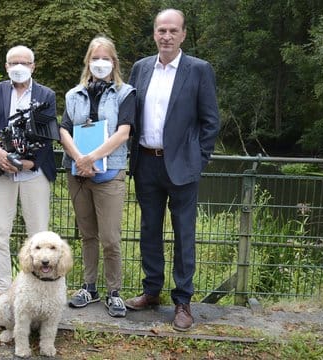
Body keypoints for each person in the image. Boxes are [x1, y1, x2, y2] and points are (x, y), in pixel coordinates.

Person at [125, 9, 221, 331]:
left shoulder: (198, 70)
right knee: (149, 230)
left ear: (183, 35)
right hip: (145, 162)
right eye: (161, 30)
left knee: (184, 235)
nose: (166, 36)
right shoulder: (140, 69)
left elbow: (210, 122)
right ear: (154, 33)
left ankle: (182, 301)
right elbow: (129, 115)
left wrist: (199, 159)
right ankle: (151, 291)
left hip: (182, 166)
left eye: (172, 31)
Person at [59, 36, 136, 318]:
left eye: (105, 58)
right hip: (79, 175)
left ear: (113, 61)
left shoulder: (126, 93)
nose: (100, 63)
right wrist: (80, 158)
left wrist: (93, 157)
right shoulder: (73, 94)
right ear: (88, 62)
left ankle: (114, 291)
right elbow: (64, 129)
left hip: (110, 173)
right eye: (95, 58)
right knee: (87, 235)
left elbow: (123, 132)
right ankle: (89, 287)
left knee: (110, 238)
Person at [0, 45, 57, 312]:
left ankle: (38, 293)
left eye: (25, 62)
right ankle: (2, 290)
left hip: (33, 173)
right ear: (6, 66)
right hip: (1, 171)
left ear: (33, 66)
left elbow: (48, 134)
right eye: (14, 62)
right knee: (0, 233)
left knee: (39, 235)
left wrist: (29, 162)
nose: (19, 66)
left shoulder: (46, 94)